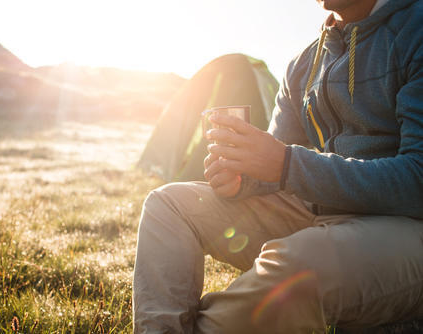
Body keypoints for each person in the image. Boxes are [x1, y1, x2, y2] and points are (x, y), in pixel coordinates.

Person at [133, 0, 423, 332]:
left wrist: (287, 164)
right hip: (322, 215)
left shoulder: (415, 29)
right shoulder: (303, 65)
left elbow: (418, 179)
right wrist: (243, 180)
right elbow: (273, 165)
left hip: (407, 226)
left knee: (296, 269)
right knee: (167, 206)